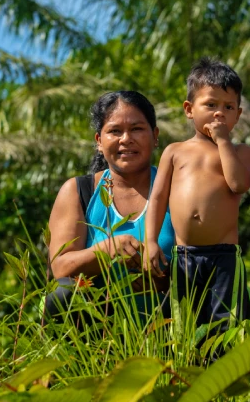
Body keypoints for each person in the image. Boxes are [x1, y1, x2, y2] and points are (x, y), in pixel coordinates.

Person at [144, 58, 250, 335]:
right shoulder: (175, 151)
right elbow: (156, 199)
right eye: (211, 105)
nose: (219, 114)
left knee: (223, 326)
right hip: (184, 255)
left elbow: (238, 183)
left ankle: (222, 374)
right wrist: (151, 241)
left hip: (224, 256)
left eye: (228, 108)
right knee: (182, 325)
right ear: (189, 109)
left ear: (238, 115)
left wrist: (223, 141)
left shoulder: (239, 152)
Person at [46, 91, 175, 317]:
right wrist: (109, 249)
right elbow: (60, 268)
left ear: (155, 136)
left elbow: (203, 256)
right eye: (115, 131)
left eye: (136, 129)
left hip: (168, 325)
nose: (126, 139)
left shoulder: (177, 188)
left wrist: (164, 279)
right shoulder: (78, 191)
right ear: (99, 141)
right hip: (97, 329)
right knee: (63, 294)